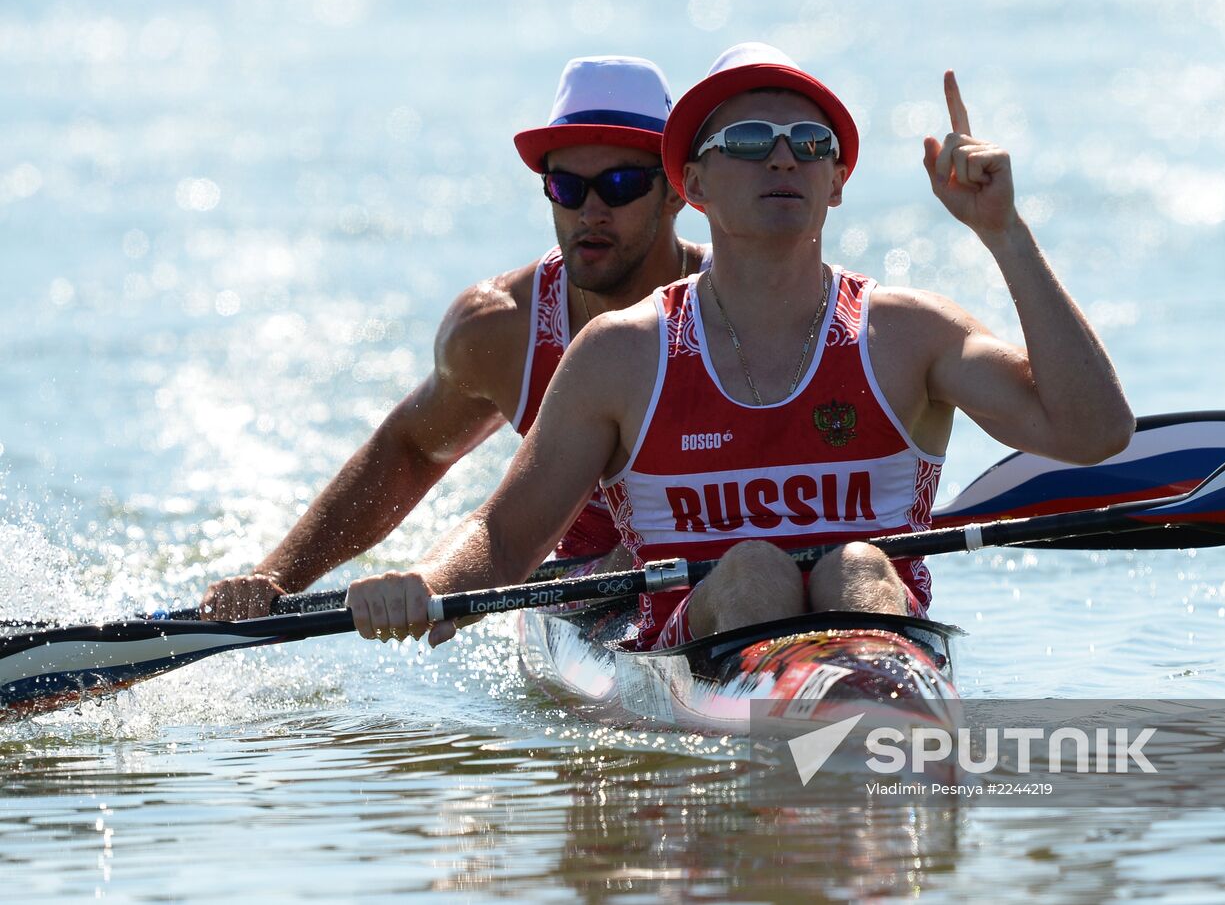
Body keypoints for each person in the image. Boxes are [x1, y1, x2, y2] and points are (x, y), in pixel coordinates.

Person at [344, 43, 1134, 649]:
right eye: (751, 139)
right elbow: (505, 535)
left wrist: (1006, 235)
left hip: (877, 654)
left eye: (809, 142)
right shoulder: (622, 356)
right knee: (753, 569)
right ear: (694, 184)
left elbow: (1094, 432)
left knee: (860, 566)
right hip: (689, 651)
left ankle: (854, 776)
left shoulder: (908, 333)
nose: (783, 155)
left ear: (837, 180)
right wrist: (426, 585)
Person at [201, 55, 708, 620]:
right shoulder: (502, 327)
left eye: (620, 184)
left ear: (677, 191)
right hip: (588, 594)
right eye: (565, 187)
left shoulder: (745, 304)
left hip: (727, 575)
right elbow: (411, 452)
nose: (590, 211)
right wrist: (275, 578)